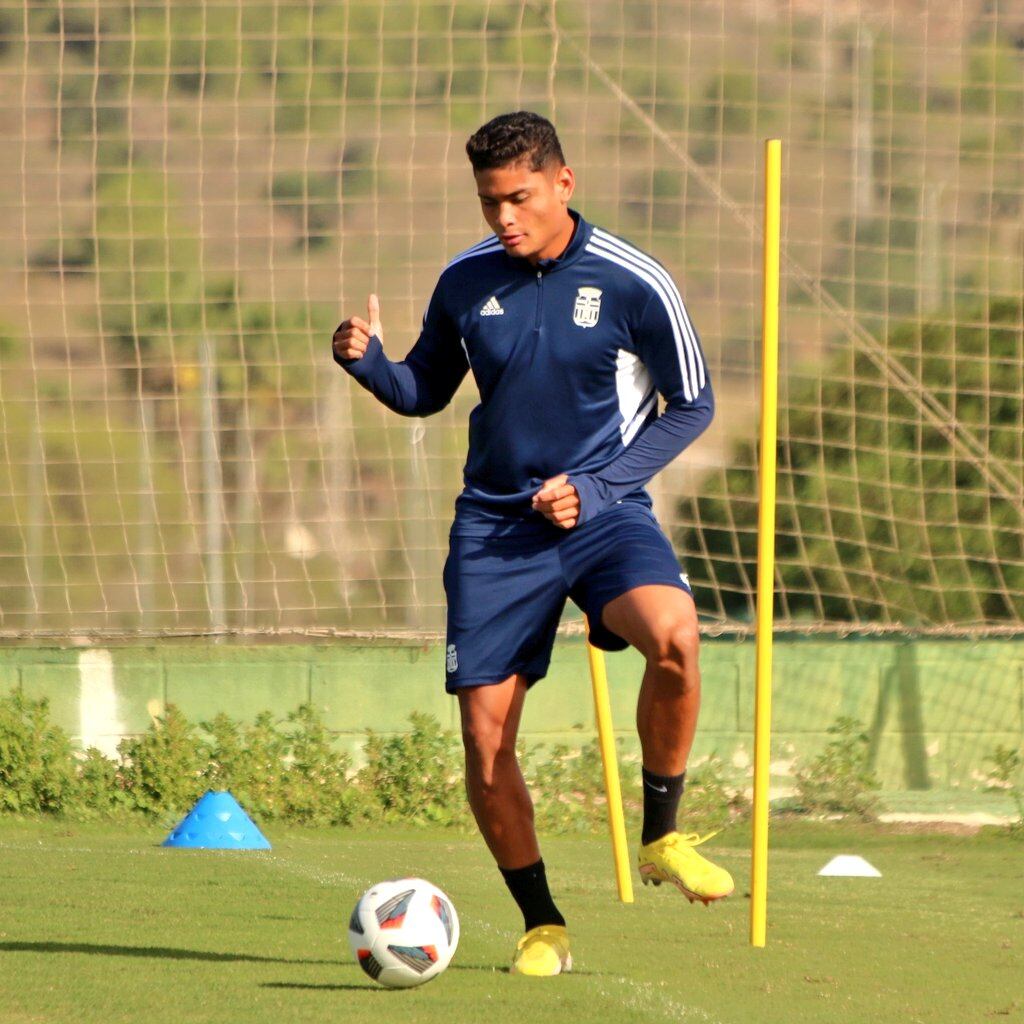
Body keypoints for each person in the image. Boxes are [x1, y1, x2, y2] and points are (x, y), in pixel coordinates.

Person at [333, 111, 732, 977]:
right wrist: (368, 363)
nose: (503, 218)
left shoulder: (635, 281)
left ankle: (661, 833)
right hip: (494, 530)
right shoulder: (466, 280)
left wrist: (597, 489)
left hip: (606, 516)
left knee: (676, 637)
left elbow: (693, 405)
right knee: (485, 742)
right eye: (489, 202)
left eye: (518, 198)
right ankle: (542, 921)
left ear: (563, 184)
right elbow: (424, 389)